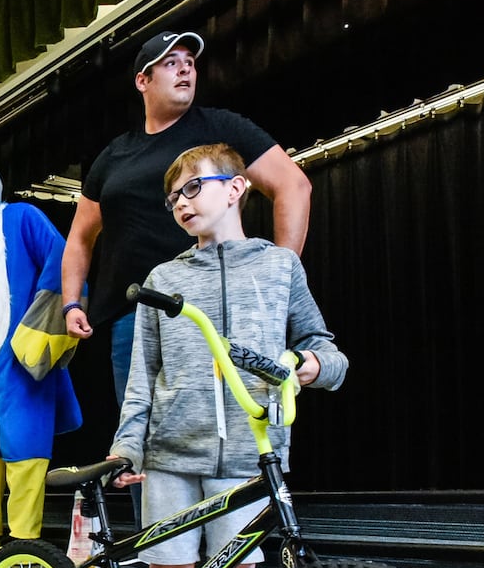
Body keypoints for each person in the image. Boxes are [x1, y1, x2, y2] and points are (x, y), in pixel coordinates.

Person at [106, 143, 347, 568]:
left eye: (194, 189)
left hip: (248, 452)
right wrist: (127, 445)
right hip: (171, 453)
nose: (182, 203)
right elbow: (144, 374)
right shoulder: (164, 280)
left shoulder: (278, 268)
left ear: (238, 189)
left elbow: (325, 347)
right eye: (173, 197)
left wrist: (312, 365)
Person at [61, 30, 312, 411]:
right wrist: (71, 303)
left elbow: (293, 186)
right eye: (170, 63)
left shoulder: (221, 129)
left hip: (213, 309)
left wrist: (278, 278)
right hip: (133, 316)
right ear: (142, 81)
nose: (185, 70)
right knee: (142, 444)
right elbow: (80, 237)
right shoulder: (113, 156)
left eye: (190, 64)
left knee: (225, 428)